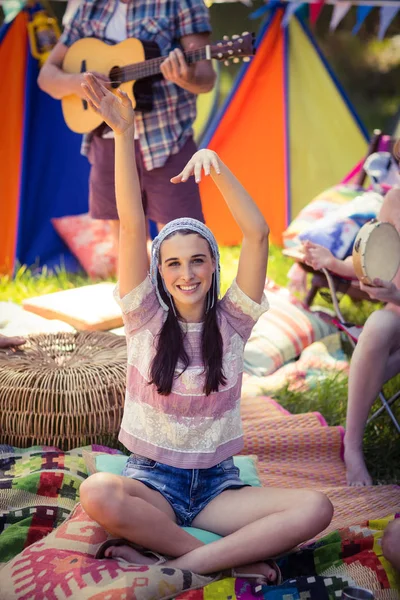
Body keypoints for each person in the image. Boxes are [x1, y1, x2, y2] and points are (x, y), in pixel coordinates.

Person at [77, 74, 333, 584]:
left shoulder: (233, 323)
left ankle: (179, 565)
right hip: (153, 482)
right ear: (159, 274)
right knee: (97, 492)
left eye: (198, 261)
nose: (186, 273)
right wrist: (124, 134)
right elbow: (133, 222)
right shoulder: (143, 317)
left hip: (217, 489)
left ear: (214, 267)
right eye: (172, 264)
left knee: (316, 508)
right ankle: (227, 561)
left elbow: (257, 235)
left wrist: (217, 167)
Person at [38, 0, 216, 255]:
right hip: (107, 141)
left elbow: (206, 78)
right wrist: (81, 83)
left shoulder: (182, 3)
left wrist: (187, 78)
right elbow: (47, 77)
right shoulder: (89, 8)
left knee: (184, 245)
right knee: (128, 250)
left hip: (167, 141)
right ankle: (138, 296)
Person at [302, 184, 400, 487]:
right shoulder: (395, 200)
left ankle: (368, 377)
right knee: (378, 325)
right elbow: (372, 265)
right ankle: (352, 447)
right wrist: (333, 263)